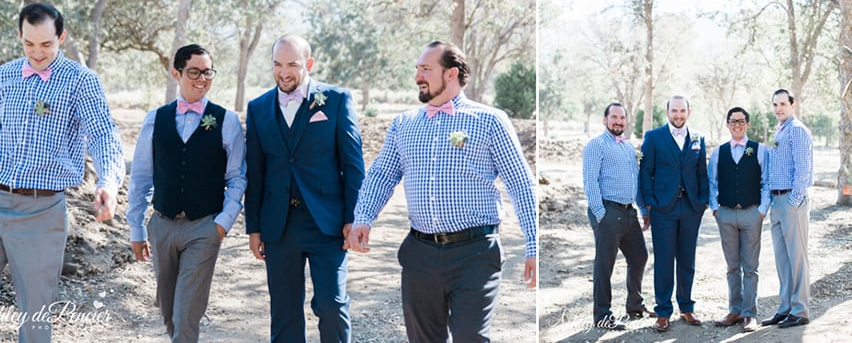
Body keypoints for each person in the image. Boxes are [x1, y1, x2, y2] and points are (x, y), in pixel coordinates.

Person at [0, 2, 125, 342]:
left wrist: (108, 182)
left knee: (34, 322)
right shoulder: (3, 76)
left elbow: (104, 133)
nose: (38, 52)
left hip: (42, 213)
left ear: (61, 37)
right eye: (29, 44)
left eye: (46, 44)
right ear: (20, 36)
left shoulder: (80, 81)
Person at [349, 41, 537, 342]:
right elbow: (382, 175)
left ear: (451, 74)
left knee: (470, 337)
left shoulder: (489, 121)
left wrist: (533, 244)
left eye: (426, 69)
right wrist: (363, 217)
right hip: (419, 253)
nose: (418, 76)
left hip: (476, 253)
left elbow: (520, 182)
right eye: (417, 69)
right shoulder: (403, 124)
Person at [245, 34, 365, 342]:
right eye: (278, 64)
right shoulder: (258, 108)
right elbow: (255, 173)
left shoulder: (336, 100)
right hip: (278, 225)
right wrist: (254, 227)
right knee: (284, 312)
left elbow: (353, 166)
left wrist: (354, 218)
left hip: (328, 222)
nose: (284, 72)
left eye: (293, 65)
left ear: (308, 64)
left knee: (331, 304)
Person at [126, 44, 246, 341]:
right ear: (176, 73)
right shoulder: (155, 119)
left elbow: (237, 176)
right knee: (168, 311)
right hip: (162, 225)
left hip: (204, 228)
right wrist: (137, 228)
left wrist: (222, 223)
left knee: (186, 312)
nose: (202, 79)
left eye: (208, 73)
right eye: (194, 72)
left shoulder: (226, 120)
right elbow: (141, 177)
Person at [638, 95, 709, 332]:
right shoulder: (654, 137)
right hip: (663, 209)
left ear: (689, 112)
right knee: (665, 260)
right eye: (674, 111)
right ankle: (662, 311)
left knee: (687, 260)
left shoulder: (698, 138)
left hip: (690, 208)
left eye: (682, 111)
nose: (678, 115)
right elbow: (646, 171)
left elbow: (701, 173)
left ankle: (686, 307)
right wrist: (649, 203)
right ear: (667, 112)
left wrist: (702, 201)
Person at [582, 103, 652, 331]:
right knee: (605, 264)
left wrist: (642, 210)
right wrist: (601, 214)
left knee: (640, 256)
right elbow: (590, 181)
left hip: (628, 211)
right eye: (614, 117)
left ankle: (635, 305)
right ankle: (602, 315)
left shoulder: (629, 148)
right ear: (605, 120)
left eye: (622, 117)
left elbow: (637, 182)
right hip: (608, 211)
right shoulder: (596, 145)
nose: (618, 121)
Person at [708, 107, 770, 333]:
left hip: (751, 214)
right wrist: (715, 210)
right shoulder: (718, 152)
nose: (737, 124)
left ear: (747, 124)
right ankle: (734, 310)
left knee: (750, 267)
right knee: (732, 267)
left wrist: (762, 211)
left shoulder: (759, 150)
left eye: (741, 121)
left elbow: (766, 182)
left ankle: (749, 314)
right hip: (725, 214)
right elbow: (711, 183)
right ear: (727, 124)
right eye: (733, 121)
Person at [761, 88, 813, 329]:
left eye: (782, 103)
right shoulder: (780, 130)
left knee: (797, 258)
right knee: (783, 260)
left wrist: (793, 203)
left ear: (793, 104)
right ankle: (785, 308)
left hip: (792, 202)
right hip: (776, 202)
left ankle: (800, 310)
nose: (778, 108)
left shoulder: (798, 131)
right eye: (775, 104)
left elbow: (803, 170)